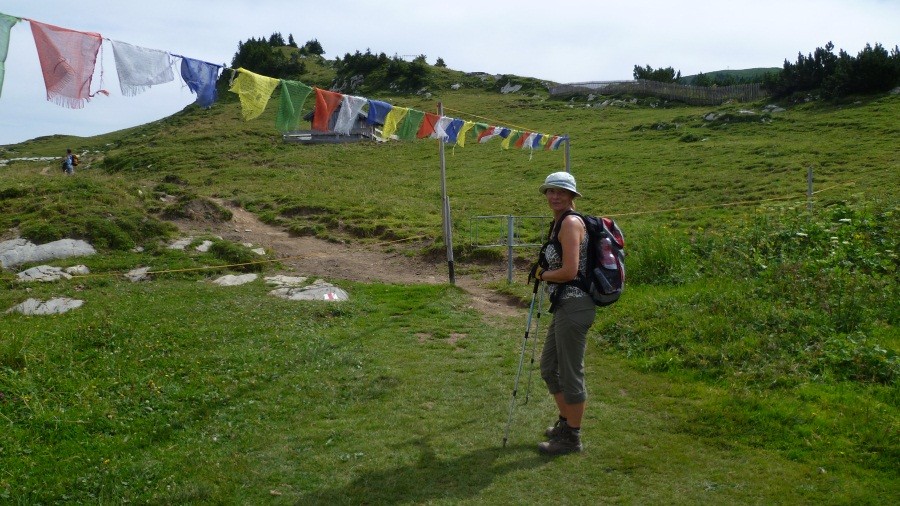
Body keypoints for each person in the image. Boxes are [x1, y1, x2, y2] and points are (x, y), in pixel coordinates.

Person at [530, 171, 596, 455]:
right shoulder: (558, 222)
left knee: (570, 373)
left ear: (572, 197)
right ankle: (567, 421)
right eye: (550, 191)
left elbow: (569, 271)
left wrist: (542, 275)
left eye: (561, 192)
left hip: (575, 304)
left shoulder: (570, 223)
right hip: (564, 305)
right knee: (549, 367)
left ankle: (572, 437)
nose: (554, 196)